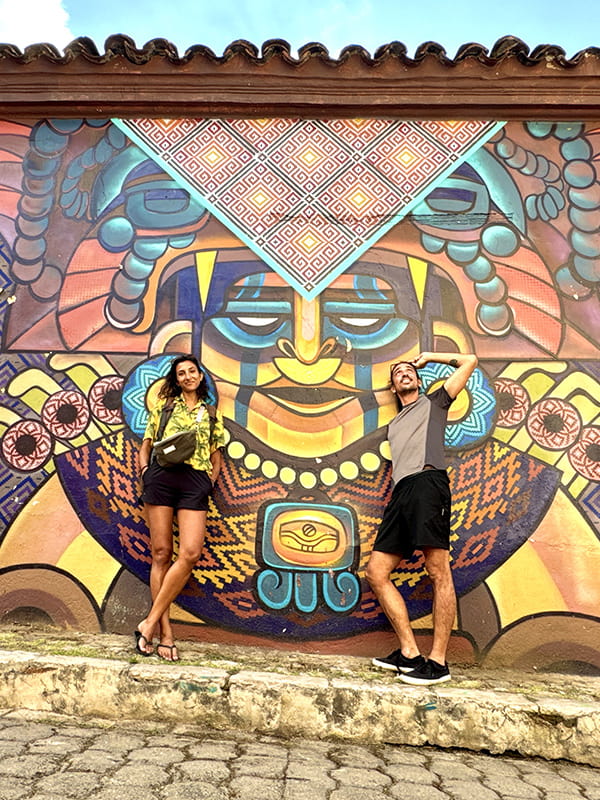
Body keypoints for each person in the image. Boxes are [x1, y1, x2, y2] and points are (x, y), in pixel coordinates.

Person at [366, 351, 478, 685]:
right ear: (393, 386)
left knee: (437, 570)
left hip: (429, 485)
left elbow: (469, 361)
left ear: (417, 379)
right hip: (401, 494)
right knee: (376, 572)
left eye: (409, 370)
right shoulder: (394, 424)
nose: (404, 373)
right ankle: (410, 653)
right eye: (397, 372)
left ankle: (438, 663)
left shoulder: (435, 402)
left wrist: (429, 357)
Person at [134, 355, 225, 661]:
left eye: (191, 371)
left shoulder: (211, 413)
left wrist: (208, 483)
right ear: (176, 380)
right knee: (161, 554)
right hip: (161, 478)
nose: (187, 376)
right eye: (181, 373)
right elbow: (146, 445)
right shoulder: (164, 407)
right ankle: (165, 633)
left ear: (200, 376)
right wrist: (145, 473)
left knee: (190, 553)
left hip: (194, 482)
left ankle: (148, 622)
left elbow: (216, 455)